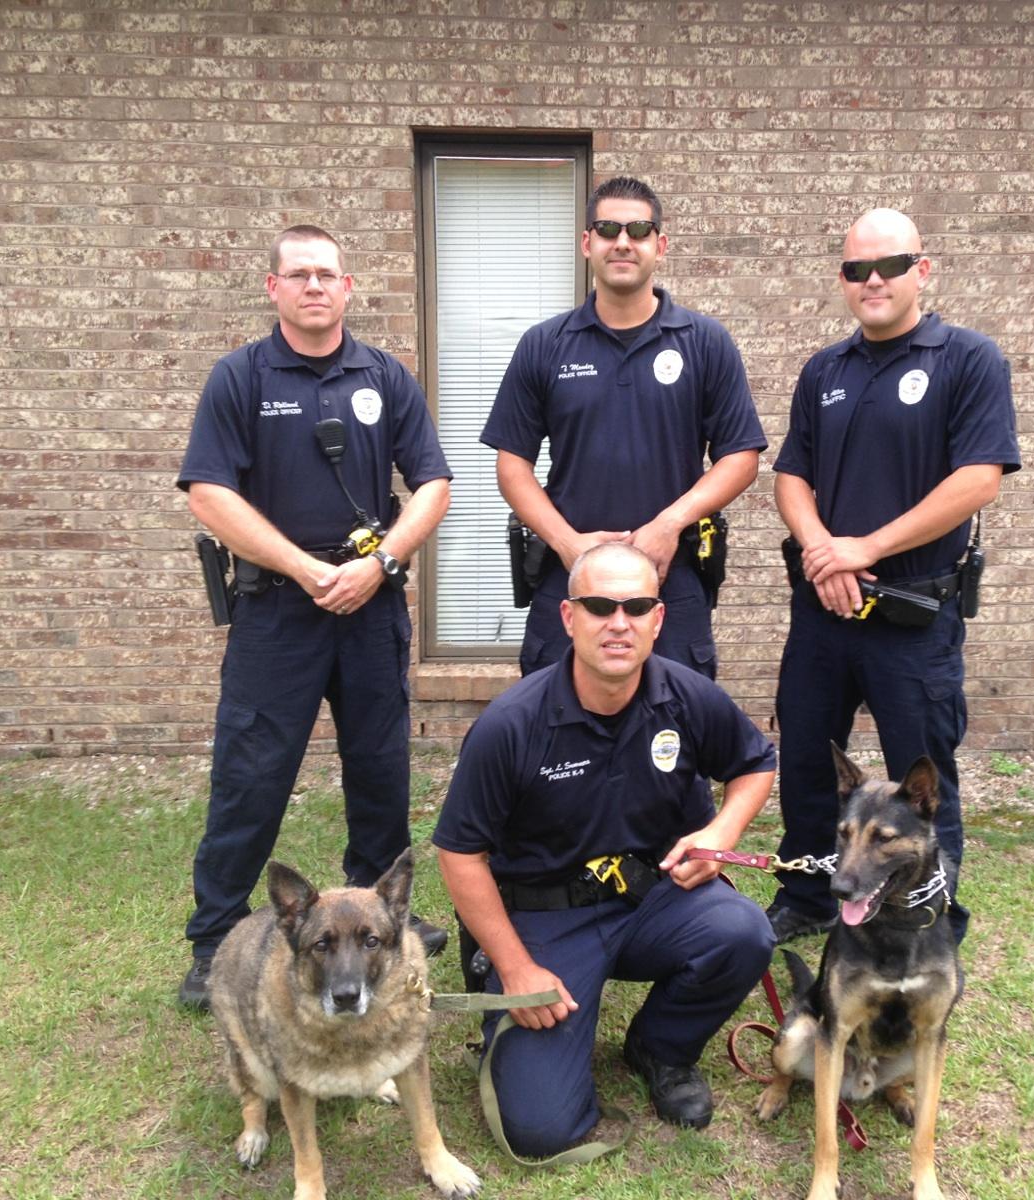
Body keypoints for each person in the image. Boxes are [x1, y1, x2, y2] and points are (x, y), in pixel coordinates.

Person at [175, 225, 453, 1009]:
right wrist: (305, 567)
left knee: (380, 770)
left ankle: (382, 924)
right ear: (274, 289)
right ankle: (215, 937)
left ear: (348, 286)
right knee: (251, 775)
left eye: (326, 274)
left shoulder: (385, 377)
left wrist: (380, 566)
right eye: (297, 275)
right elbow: (208, 493)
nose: (314, 287)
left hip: (370, 608)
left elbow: (433, 482)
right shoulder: (239, 377)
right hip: (276, 613)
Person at [434, 542, 776, 1157]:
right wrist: (514, 966)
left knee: (744, 932)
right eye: (599, 606)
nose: (618, 623)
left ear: (658, 620)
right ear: (569, 618)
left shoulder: (687, 697)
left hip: (648, 898)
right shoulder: (512, 724)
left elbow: (754, 765)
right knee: (540, 1131)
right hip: (543, 919)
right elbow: (460, 856)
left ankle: (661, 1048)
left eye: (636, 606)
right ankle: (526, 1034)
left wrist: (719, 837)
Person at [765, 208, 1021, 947]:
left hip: (913, 620)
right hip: (823, 613)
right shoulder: (825, 371)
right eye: (856, 270)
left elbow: (978, 481)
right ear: (843, 280)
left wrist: (863, 549)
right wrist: (823, 552)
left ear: (923, 271)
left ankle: (927, 920)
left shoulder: (969, 360)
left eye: (890, 266)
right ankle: (811, 897)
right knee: (810, 761)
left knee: (922, 778)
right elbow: (791, 477)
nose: (872, 281)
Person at [482, 176, 766, 679]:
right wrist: (569, 544)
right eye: (608, 228)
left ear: (660, 244)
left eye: (638, 229)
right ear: (587, 242)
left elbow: (740, 458)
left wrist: (669, 525)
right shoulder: (545, 345)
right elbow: (512, 465)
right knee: (557, 732)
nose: (623, 242)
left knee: (677, 733)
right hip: (571, 578)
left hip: (670, 579)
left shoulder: (705, 342)